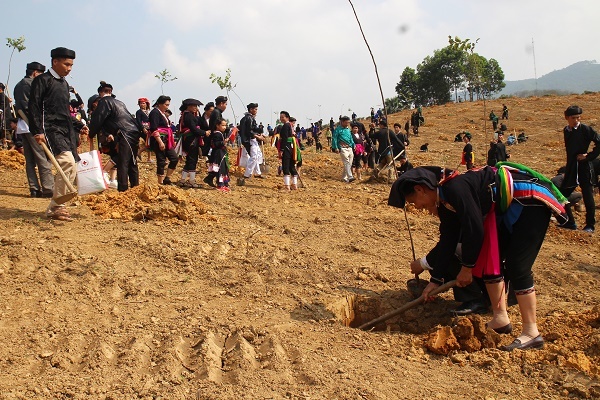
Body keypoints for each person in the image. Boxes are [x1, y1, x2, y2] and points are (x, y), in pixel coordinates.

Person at [388, 164, 568, 351]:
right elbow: (448, 239)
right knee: (489, 258)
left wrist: (467, 268)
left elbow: (474, 229)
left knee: (517, 265)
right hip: (506, 209)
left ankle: (531, 332)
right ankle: (500, 318)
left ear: (420, 189)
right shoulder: (445, 201)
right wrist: (435, 280)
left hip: (530, 201)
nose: (417, 206)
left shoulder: (455, 188)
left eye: (412, 201)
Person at [29, 47, 86, 221]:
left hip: (66, 129)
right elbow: (34, 107)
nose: (69, 68)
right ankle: (57, 206)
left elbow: (64, 111)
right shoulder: (42, 80)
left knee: (71, 165)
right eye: (66, 64)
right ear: (55, 62)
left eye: (71, 65)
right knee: (66, 162)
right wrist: (37, 131)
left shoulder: (64, 84)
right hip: (50, 128)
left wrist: (78, 125)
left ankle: (55, 207)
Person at [89, 84, 142, 192]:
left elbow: (98, 119)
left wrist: (91, 133)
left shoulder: (104, 102)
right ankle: (135, 188)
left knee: (123, 162)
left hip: (124, 133)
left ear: (100, 93)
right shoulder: (120, 102)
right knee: (132, 161)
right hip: (134, 132)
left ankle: (123, 189)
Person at [13, 61, 54, 198]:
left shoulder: (18, 85)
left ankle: (34, 188)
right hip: (32, 126)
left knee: (30, 160)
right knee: (42, 158)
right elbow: (33, 107)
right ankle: (48, 188)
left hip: (23, 126)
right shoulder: (31, 84)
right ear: (35, 73)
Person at [558, 105, 600, 232]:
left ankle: (590, 225)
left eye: (578, 117)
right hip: (571, 167)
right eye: (573, 117)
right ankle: (570, 223)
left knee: (587, 195)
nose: (576, 120)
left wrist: (589, 156)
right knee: (562, 195)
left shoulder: (586, 129)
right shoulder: (566, 130)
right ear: (567, 118)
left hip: (584, 167)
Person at [148, 95, 178, 185]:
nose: (167, 107)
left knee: (174, 158)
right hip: (159, 139)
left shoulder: (162, 113)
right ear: (159, 104)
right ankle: (160, 182)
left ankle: (167, 178)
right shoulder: (155, 113)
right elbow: (153, 128)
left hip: (166, 139)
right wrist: (160, 141)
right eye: (166, 105)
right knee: (161, 160)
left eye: (168, 105)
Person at [177, 98, 206, 188]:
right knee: (193, 160)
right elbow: (194, 129)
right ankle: (192, 181)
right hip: (191, 140)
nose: (195, 107)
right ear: (188, 106)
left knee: (189, 160)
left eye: (196, 106)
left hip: (189, 139)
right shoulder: (188, 116)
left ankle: (182, 180)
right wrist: (204, 133)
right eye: (193, 106)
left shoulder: (186, 115)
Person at [239, 102, 265, 183]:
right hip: (249, 140)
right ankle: (247, 174)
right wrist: (258, 137)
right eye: (255, 109)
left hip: (251, 139)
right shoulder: (249, 118)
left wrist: (259, 131)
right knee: (254, 157)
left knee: (257, 155)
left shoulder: (249, 118)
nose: (256, 111)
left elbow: (253, 129)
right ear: (251, 109)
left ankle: (257, 173)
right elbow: (249, 131)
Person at [207, 117, 231, 192]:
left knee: (224, 169)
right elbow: (215, 144)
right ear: (217, 125)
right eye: (223, 125)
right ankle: (220, 184)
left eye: (225, 125)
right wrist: (223, 142)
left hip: (221, 153)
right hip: (218, 154)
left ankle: (224, 184)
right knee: (220, 169)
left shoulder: (220, 133)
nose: (224, 127)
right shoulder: (217, 134)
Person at [277, 111, 299, 190]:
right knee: (291, 166)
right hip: (291, 148)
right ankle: (294, 184)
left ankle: (287, 186)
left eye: (283, 117)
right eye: (280, 117)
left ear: (287, 118)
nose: (281, 118)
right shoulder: (290, 126)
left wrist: (282, 150)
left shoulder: (286, 126)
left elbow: (285, 138)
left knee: (286, 166)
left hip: (286, 147)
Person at [332, 116, 355, 183]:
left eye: (348, 122)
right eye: (346, 122)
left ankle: (344, 177)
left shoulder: (348, 129)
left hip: (349, 148)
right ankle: (350, 177)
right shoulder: (338, 129)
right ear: (342, 122)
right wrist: (336, 147)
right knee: (346, 162)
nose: (347, 124)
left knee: (349, 163)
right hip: (343, 148)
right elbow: (334, 138)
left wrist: (353, 145)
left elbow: (351, 138)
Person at [135, 97, 152, 162]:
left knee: (149, 143)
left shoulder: (148, 112)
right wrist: (143, 128)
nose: (142, 104)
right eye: (141, 103)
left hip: (149, 129)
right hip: (141, 129)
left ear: (146, 104)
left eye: (143, 103)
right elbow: (138, 121)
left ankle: (149, 158)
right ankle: (138, 153)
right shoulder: (139, 112)